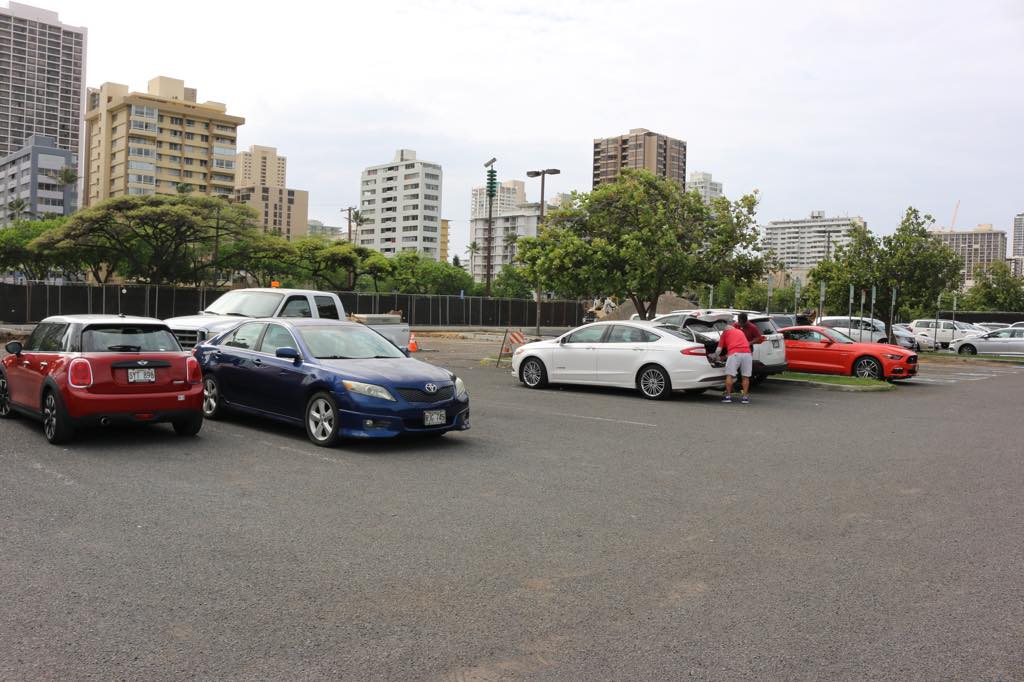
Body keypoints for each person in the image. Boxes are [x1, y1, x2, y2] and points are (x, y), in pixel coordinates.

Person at [716, 319, 754, 404]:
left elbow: (718, 350)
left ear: (724, 329)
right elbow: (737, 347)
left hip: (735, 354)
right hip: (747, 354)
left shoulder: (724, 334)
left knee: (729, 375)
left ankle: (728, 396)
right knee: (745, 376)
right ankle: (745, 398)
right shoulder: (740, 332)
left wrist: (715, 357)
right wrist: (725, 357)